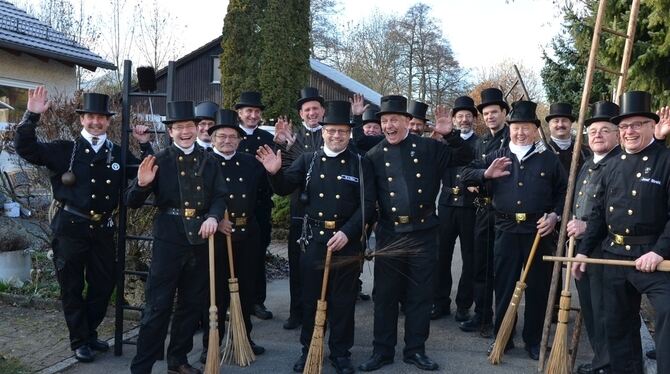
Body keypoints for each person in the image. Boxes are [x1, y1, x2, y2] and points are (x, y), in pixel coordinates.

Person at [14, 87, 152, 363]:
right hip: (71, 227)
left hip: (103, 228)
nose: (96, 122)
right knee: (71, 286)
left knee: (104, 283)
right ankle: (80, 340)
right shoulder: (65, 150)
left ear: (109, 121)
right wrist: (31, 116)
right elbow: (26, 148)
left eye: (101, 118)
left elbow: (146, 171)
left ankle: (88, 333)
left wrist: (145, 144)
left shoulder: (116, 153)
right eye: (90, 117)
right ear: (82, 120)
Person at [257, 100, 376, 374]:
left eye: (342, 131)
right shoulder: (308, 160)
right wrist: (274, 173)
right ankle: (309, 348)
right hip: (314, 241)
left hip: (346, 242)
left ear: (349, 133)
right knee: (311, 298)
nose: (336, 136)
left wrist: (348, 232)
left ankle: (341, 353)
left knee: (343, 300)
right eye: (331, 131)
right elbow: (285, 187)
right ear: (323, 132)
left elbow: (367, 204)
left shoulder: (360, 163)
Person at [358, 95, 473, 372]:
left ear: (408, 122)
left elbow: (464, 156)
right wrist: (363, 236)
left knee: (420, 295)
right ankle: (382, 351)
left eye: (394, 120)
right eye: (384, 121)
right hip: (389, 232)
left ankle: (415, 350)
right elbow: (368, 201)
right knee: (385, 295)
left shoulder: (429, 147)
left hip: (423, 233)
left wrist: (451, 135)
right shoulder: (373, 156)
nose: (388, 126)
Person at [126, 101, 227, 374]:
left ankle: (178, 360)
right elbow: (131, 201)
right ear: (170, 132)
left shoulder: (210, 160)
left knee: (191, 304)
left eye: (189, 126)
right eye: (178, 127)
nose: (185, 132)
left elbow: (220, 196)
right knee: (157, 306)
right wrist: (142, 184)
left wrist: (213, 217)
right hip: (168, 241)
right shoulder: (159, 160)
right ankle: (142, 366)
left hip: (200, 242)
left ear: (197, 128)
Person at [573, 91, 670, 374]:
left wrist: (658, 251)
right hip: (613, 256)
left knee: (667, 313)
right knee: (616, 325)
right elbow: (597, 217)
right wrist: (582, 251)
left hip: (653, 259)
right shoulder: (612, 165)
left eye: (637, 124)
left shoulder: (666, 162)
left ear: (652, 126)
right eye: (625, 126)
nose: (630, 131)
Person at [462, 100, 566, 360]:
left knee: (537, 288)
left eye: (526, 128)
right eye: (516, 127)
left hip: (539, 231)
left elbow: (564, 191)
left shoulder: (548, 159)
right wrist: (486, 174)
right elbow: (465, 174)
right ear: (510, 128)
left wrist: (555, 215)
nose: (520, 132)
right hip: (505, 229)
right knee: (506, 286)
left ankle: (533, 341)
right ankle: (503, 338)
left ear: (535, 130)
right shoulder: (496, 156)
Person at [199, 108, 268, 363]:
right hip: (216, 237)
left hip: (247, 235)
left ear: (239, 140)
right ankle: (211, 343)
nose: (227, 141)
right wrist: (215, 221)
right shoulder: (202, 162)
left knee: (246, 290)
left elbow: (263, 196)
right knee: (215, 293)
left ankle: (244, 337)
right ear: (212, 137)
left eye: (232, 136)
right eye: (222, 136)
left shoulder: (251, 163)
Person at [566, 100, 620, 374]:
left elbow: (623, 212)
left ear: (618, 134)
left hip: (605, 249)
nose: (597, 135)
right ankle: (601, 359)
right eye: (593, 131)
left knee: (604, 310)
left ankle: (607, 364)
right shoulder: (588, 164)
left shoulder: (620, 164)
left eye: (605, 130)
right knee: (589, 307)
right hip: (584, 248)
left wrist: (587, 227)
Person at [273, 87, 326, 330]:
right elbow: (285, 171)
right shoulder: (292, 138)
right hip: (300, 209)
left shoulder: (332, 133)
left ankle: (322, 311)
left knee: (322, 267)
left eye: (315, 108)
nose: (312, 113)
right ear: (301, 114)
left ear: (322, 111)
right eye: (307, 110)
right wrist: (284, 146)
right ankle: (297, 312)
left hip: (327, 210)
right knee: (297, 264)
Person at [458, 88, 510, 338]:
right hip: (481, 209)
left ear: (504, 113)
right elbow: (466, 172)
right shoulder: (480, 143)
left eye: (494, 112)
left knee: (502, 269)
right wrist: (482, 175)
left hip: (504, 212)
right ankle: (482, 315)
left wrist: (480, 175)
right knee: (480, 266)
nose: (489, 117)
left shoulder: (514, 139)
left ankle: (503, 321)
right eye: (486, 113)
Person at [432, 95, 479, 322]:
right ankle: (440, 301)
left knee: (469, 257)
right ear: (453, 119)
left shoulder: (478, 143)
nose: (464, 120)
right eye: (460, 116)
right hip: (447, 203)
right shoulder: (441, 141)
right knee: (442, 255)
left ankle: (463, 304)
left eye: (468, 116)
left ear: (474, 119)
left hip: (470, 206)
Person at [234, 91, 275, 321]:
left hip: (259, 206)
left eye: (256, 112)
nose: (252, 115)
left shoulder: (267, 139)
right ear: (239, 113)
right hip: (234, 207)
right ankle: (233, 301)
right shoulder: (231, 136)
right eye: (248, 111)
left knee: (258, 255)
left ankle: (256, 301)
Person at [546, 102, 590, 172]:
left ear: (570, 123)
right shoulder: (541, 152)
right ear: (549, 125)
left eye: (564, 121)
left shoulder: (584, 152)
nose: (560, 125)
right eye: (556, 121)